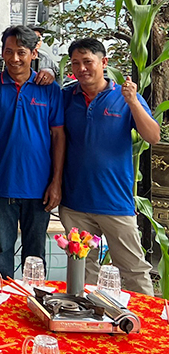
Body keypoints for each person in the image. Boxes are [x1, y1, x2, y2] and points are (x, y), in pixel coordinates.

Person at [60, 38, 159, 295]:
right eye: (76, 63)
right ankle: (84, 318)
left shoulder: (124, 97)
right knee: (82, 273)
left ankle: (148, 320)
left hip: (115, 203)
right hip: (75, 204)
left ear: (103, 62)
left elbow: (152, 136)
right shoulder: (66, 97)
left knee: (134, 271)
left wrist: (133, 102)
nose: (82, 68)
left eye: (88, 62)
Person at [0, 25, 65, 279]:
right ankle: (1, 302)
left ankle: (33, 301)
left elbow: (58, 137)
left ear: (34, 53)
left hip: (39, 186)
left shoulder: (49, 89)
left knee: (35, 257)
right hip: (1, 183)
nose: (14, 58)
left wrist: (56, 182)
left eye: (21, 52)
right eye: (8, 51)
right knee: (0, 253)